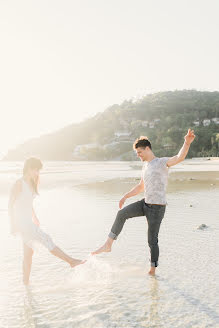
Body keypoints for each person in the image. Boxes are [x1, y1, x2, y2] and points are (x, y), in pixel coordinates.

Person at [92, 129, 195, 275]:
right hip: (145, 203)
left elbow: (179, 157)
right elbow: (141, 186)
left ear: (147, 148)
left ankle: (152, 269)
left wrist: (187, 142)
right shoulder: (145, 166)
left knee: (152, 240)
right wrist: (125, 196)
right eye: (137, 154)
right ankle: (108, 245)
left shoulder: (161, 163)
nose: (138, 156)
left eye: (139, 152)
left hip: (157, 208)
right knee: (122, 214)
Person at [8, 157, 85, 285]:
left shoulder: (32, 183)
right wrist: (12, 225)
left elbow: (28, 202)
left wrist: (35, 217)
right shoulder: (19, 183)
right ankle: (71, 261)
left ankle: (25, 283)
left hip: (27, 221)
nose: (37, 172)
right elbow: (11, 204)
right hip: (22, 223)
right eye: (36, 169)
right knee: (46, 239)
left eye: (38, 170)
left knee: (28, 254)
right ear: (28, 168)